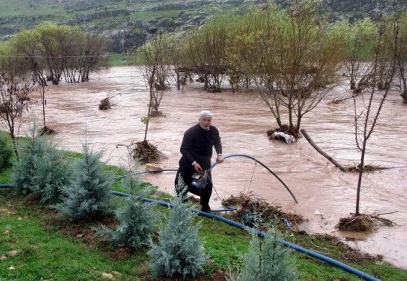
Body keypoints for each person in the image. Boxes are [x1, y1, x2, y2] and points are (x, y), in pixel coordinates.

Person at [175, 110, 224, 212]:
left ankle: (205, 207)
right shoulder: (191, 132)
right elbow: (183, 149)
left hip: (205, 164)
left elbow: (217, 142)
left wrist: (219, 154)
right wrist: (194, 163)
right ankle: (182, 204)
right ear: (199, 120)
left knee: (207, 186)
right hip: (188, 163)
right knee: (180, 184)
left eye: (209, 120)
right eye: (204, 120)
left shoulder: (214, 130)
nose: (206, 122)